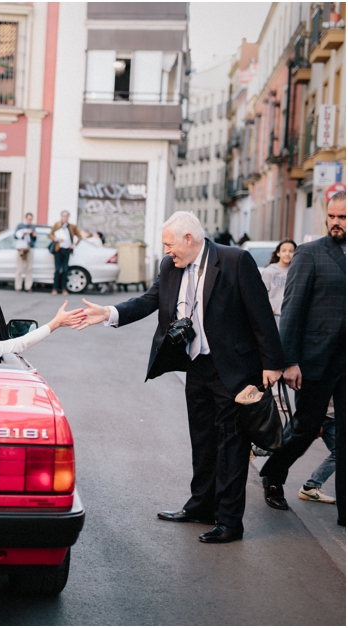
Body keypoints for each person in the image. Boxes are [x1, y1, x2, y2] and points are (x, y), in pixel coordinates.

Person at [75, 211, 283, 543]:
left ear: (189, 239)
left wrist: (272, 364)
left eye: (170, 244)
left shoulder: (235, 261)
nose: (167, 252)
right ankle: (201, 506)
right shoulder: (170, 267)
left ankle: (230, 522)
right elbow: (149, 301)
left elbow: (261, 314)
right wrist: (109, 313)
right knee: (202, 441)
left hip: (234, 369)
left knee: (231, 445)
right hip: (196, 365)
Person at [258, 191, 345, 526]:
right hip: (315, 360)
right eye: (333, 216)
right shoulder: (310, 254)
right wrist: (289, 360)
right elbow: (292, 311)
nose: (336, 223)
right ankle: (274, 473)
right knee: (306, 426)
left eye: (343, 217)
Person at [260, 239, 297, 324]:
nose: (287, 254)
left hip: (290, 316)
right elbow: (261, 293)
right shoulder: (269, 271)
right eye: (284, 251)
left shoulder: (296, 272)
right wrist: (266, 308)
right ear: (278, 253)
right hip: (273, 315)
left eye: (291, 251)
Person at [49, 211, 81, 295]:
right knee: (57, 270)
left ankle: (64, 288)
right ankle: (55, 288)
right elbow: (50, 235)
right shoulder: (57, 225)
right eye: (63, 216)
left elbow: (79, 236)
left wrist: (74, 245)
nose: (65, 217)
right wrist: (56, 239)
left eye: (66, 216)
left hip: (67, 250)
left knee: (65, 269)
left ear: (68, 217)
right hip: (58, 250)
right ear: (61, 216)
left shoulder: (72, 226)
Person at [14, 213, 37, 292]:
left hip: (29, 248)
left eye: (31, 219)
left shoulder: (33, 226)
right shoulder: (20, 226)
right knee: (19, 268)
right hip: (21, 248)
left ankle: (28, 286)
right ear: (25, 218)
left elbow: (34, 239)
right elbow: (15, 236)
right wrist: (25, 232)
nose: (29, 221)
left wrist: (34, 235)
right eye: (28, 219)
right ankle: (18, 286)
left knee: (29, 269)